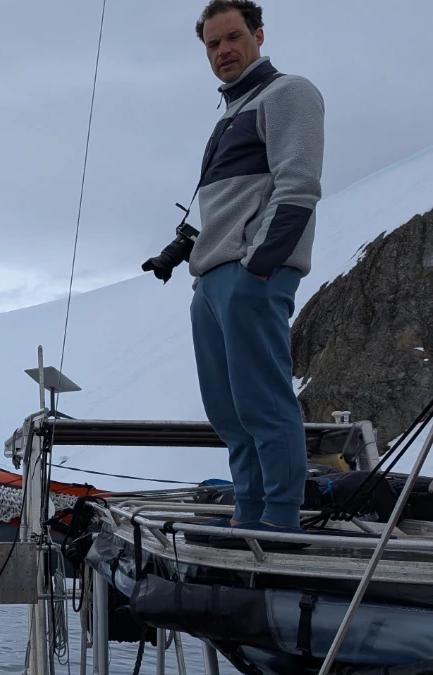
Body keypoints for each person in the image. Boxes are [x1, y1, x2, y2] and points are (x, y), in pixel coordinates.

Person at [179, 1, 324, 532]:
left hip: (249, 277)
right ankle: (250, 514)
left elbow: (298, 184)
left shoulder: (289, 93)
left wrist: (258, 267)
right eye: (213, 45)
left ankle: (280, 523)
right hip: (213, 282)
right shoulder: (230, 112)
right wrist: (188, 259)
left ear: (259, 36)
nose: (223, 51)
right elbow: (233, 203)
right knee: (230, 415)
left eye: (233, 38)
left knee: (263, 405)